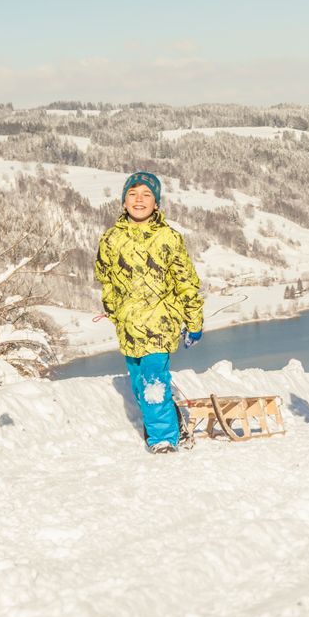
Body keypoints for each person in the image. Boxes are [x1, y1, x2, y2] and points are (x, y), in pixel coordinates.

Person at [95, 171, 204, 454]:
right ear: (123, 202)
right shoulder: (110, 239)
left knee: (154, 382)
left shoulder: (168, 238)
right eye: (133, 194)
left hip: (160, 323)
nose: (139, 200)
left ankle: (163, 440)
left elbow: (186, 282)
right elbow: (105, 279)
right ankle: (174, 423)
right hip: (129, 328)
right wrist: (114, 311)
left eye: (146, 195)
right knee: (139, 386)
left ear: (156, 203)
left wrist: (193, 322)